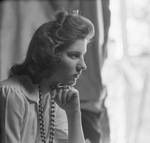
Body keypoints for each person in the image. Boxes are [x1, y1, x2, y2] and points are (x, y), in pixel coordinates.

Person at [0, 8, 95, 143]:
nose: (83, 65)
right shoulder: (11, 94)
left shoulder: (55, 98)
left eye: (83, 56)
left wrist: (74, 113)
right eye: (74, 55)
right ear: (50, 53)